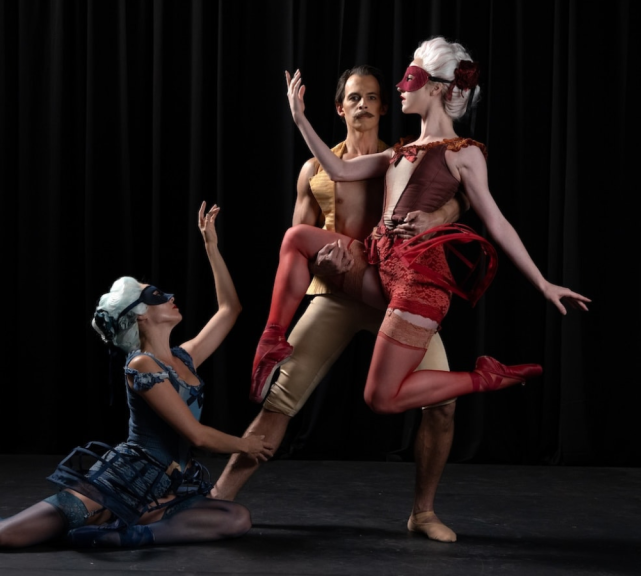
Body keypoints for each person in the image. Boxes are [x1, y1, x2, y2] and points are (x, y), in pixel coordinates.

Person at [0, 202, 276, 549]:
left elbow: (230, 311)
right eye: (156, 296)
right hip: (120, 486)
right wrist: (245, 444)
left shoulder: (183, 358)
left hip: (166, 493)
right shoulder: (141, 366)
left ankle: (125, 537)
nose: (169, 297)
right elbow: (197, 436)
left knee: (237, 519)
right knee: (2, 536)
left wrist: (211, 246)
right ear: (140, 315)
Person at [251, 36, 591, 416]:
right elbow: (339, 169)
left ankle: (487, 377)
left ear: (435, 89)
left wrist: (543, 283)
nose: (399, 87)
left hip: (417, 284)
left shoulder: (465, 152)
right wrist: (299, 118)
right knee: (296, 237)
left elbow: (496, 220)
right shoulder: (399, 151)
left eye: (410, 78)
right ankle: (272, 340)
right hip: (378, 266)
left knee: (380, 398)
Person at [211, 65, 464, 542]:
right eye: (354, 97)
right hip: (334, 294)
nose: (363, 104)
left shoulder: (402, 158)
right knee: (279, 400)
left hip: (394, 293)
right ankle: (217, 499)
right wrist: (320, 262)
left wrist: (437, 216)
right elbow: (296, 244)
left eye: (371, 96)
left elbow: (459, 197)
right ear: (340, 107)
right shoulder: (315, 168)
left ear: (384, 107)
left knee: (444, 402)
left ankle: (423, 513)